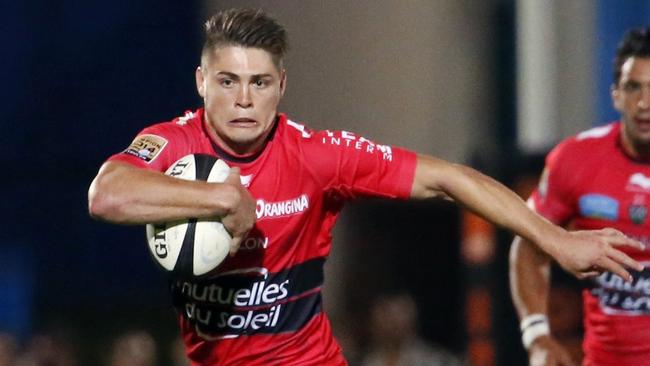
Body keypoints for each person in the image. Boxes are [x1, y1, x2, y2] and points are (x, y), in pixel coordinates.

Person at [88, 8, 644, 365]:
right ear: (201, 82)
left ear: (281, 86)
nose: (243, 100)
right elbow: (106, 194)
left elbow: (449, 178)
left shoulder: (317, 155)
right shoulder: (174, 144)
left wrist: (555, 239)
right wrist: (222, 199)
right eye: (228, 82)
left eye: (259, 83)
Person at [509, 28, 650, 366]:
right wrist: (537, 335)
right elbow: (529, 244)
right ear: (615, 95)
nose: (645, 103)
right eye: (634, 87)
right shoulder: (575, 160)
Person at [360, 293, 462, 366]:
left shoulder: (434, 360)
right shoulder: (371, 361)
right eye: (386, 318)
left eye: (397, 319)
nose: (391, 325)